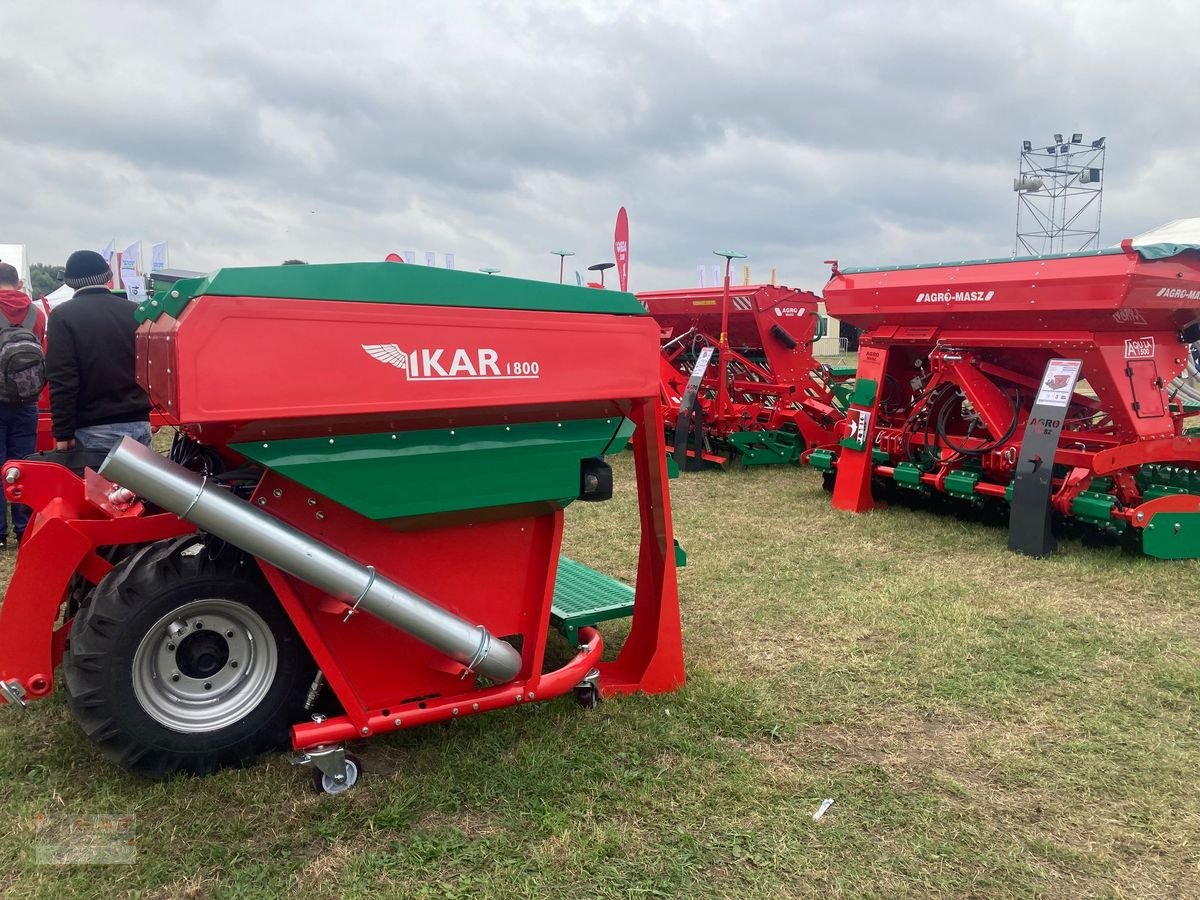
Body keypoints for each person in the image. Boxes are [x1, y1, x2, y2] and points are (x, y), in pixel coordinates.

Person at [47, 250, 150, 453]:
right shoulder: (135, 312)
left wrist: (63, 433)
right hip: (139, 422)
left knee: (98, 477)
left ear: (70, 281)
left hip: (94, 428)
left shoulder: (62, 316)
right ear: (108, 276)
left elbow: (63, 378)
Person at [0, 262, 46, 546]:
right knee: (23, 467)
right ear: (18, 282)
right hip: (28, 400)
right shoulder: (36, 313)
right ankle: (23, 528)